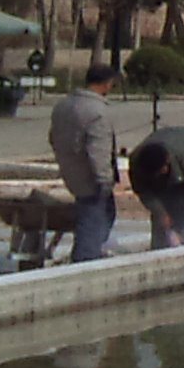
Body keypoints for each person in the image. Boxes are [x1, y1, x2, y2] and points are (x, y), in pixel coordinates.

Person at [48, 59, 120, 263]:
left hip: (71, 170)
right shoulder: (97, 112)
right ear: (107, 83)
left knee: (95, 215)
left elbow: (53, 138)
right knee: (94, 219)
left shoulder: (63, 106)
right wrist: (105, 180)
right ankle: (86, 260)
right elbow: (98, 150)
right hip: (91, 177)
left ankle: (88, 253)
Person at [126, 124, 184, 248]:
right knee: (163, 214)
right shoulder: (136, 162)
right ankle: (159, 245)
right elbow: (143, 191)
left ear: (167, 161)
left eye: (160, 171)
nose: (158, 176)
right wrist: (161, 213)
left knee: (182, 202)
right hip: (171, 142)